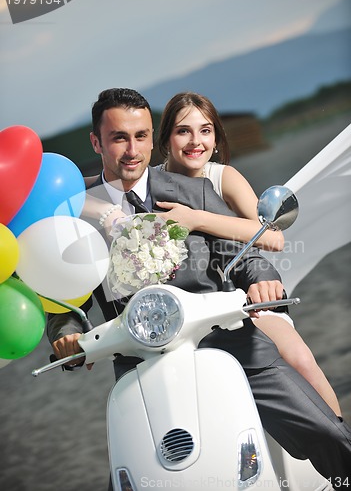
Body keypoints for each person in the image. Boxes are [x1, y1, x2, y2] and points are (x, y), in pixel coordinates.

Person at [47, 88, 351, 486]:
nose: (132, 149)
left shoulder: (193, 191)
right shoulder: (75, 214)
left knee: (328, 434)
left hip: (231, 343)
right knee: (133, 478)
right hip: (141, 363)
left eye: (140, 136)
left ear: (151, 135)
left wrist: (263, 281)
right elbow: (65, 300)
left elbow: (242, 256)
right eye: (119, 137)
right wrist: (68, 336)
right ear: (96, 142)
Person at [83, 91, 342, 417]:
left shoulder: (222, 177)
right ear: (163, 139)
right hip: (178, 314)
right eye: (183, 131)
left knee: (299, 359)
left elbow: (274, 239)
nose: (195, 142)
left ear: (216, 137)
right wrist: (105, 211)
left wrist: (195, 218)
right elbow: (78, 191)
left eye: (205, 130)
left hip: (241, 295)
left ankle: (338, 440)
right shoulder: (147, 181)